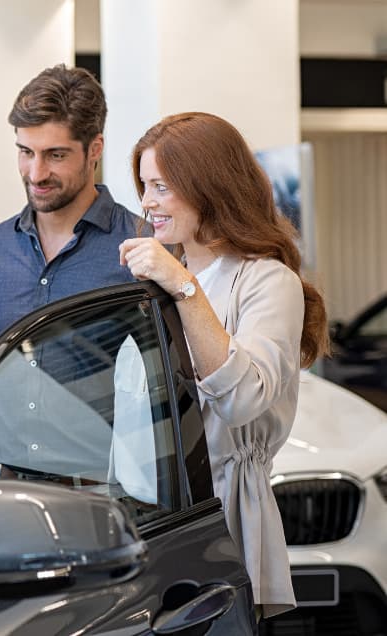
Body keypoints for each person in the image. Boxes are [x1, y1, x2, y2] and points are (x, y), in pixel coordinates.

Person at [118, 111, 329, 619]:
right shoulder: (164, 278)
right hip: (145, 520)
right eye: (144, 186)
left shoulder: (266, 282)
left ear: (207, 187)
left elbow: (240, 399)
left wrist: (183, 287)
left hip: (216, 522)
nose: (146, 204)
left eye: (161, 187)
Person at [0, 64, 143, 483]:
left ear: (94, 149)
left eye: (55, 155)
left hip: (108, 499)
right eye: (26, 152)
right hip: (9, 493)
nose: (36, 173)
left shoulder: (142, 249)